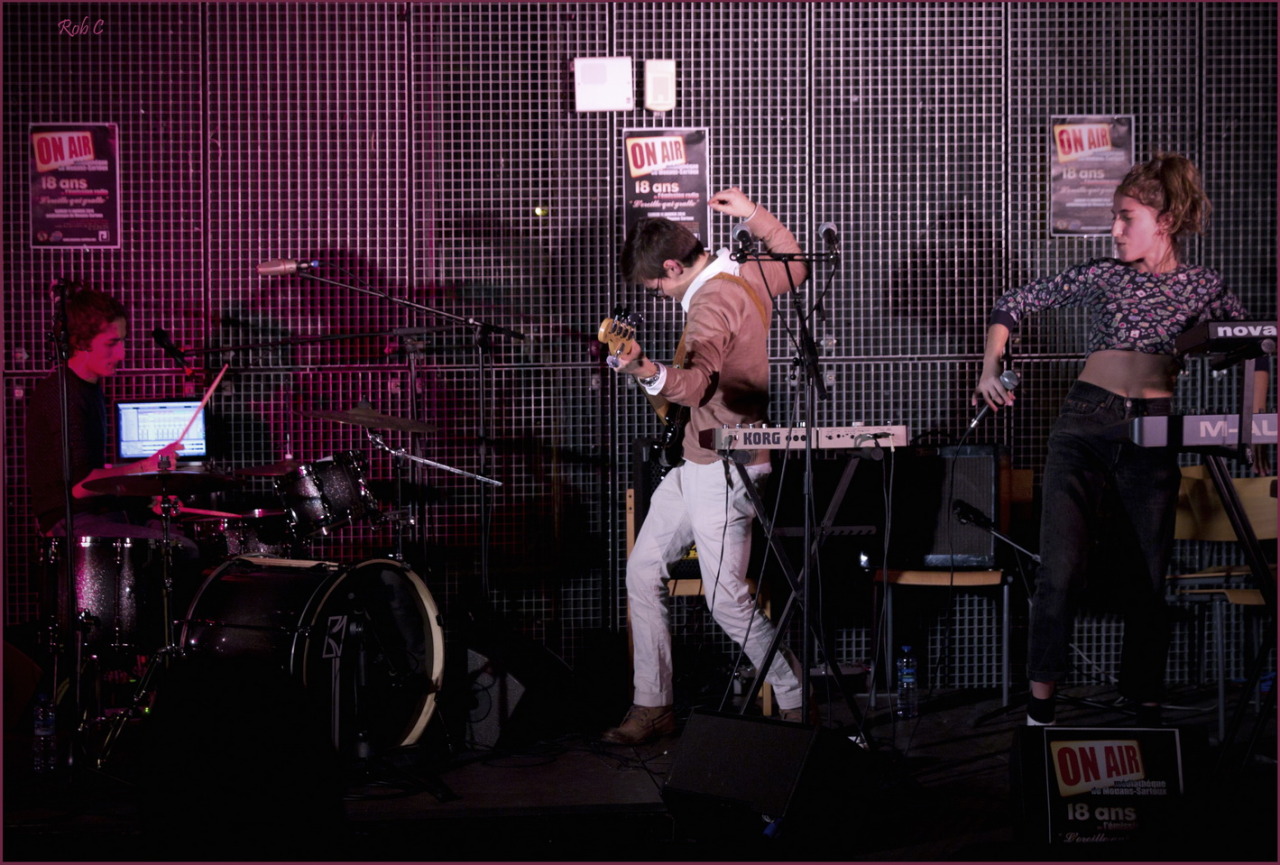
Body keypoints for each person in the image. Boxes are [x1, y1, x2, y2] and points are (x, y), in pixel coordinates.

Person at [973, 153, 1271, 727]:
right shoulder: (1104, 274)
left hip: (1153, 431)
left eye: (1125, 216)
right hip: (1085, 424)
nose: (1114, 229)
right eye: (1113, 216)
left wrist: (1253, 423)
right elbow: (1012, 304)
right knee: (1060, 571)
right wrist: (990, 367)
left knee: (1147, 578)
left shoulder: (1202, 285)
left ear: (1165, 220)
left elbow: (1256, 344)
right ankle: (1040, 712)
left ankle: (1145, 708)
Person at [602, 187, 811, 745]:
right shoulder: (742, 272)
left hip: (722, 466)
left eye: (657, 286)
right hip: (701, 459)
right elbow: (796, 266)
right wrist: (754, 215)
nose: (660, 295)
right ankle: (653, 704)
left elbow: (694, 387)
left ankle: (795, 698)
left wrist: (644, 369)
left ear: (673, 267)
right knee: (643, 571)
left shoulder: (710, 303)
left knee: (725, 600)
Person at [25, 287, 197, 634]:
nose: (122, 353)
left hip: (92, 513)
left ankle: (155, 645)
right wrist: (146, 467)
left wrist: (148, 496)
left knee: (172, 530)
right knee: (180, 550)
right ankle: (155, 646)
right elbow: (81, 487)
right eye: (112, 343)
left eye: (123, 342)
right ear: (81, 342)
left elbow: (95, 476)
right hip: (69, 522)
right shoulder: (63, 394)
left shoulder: (88, 389)